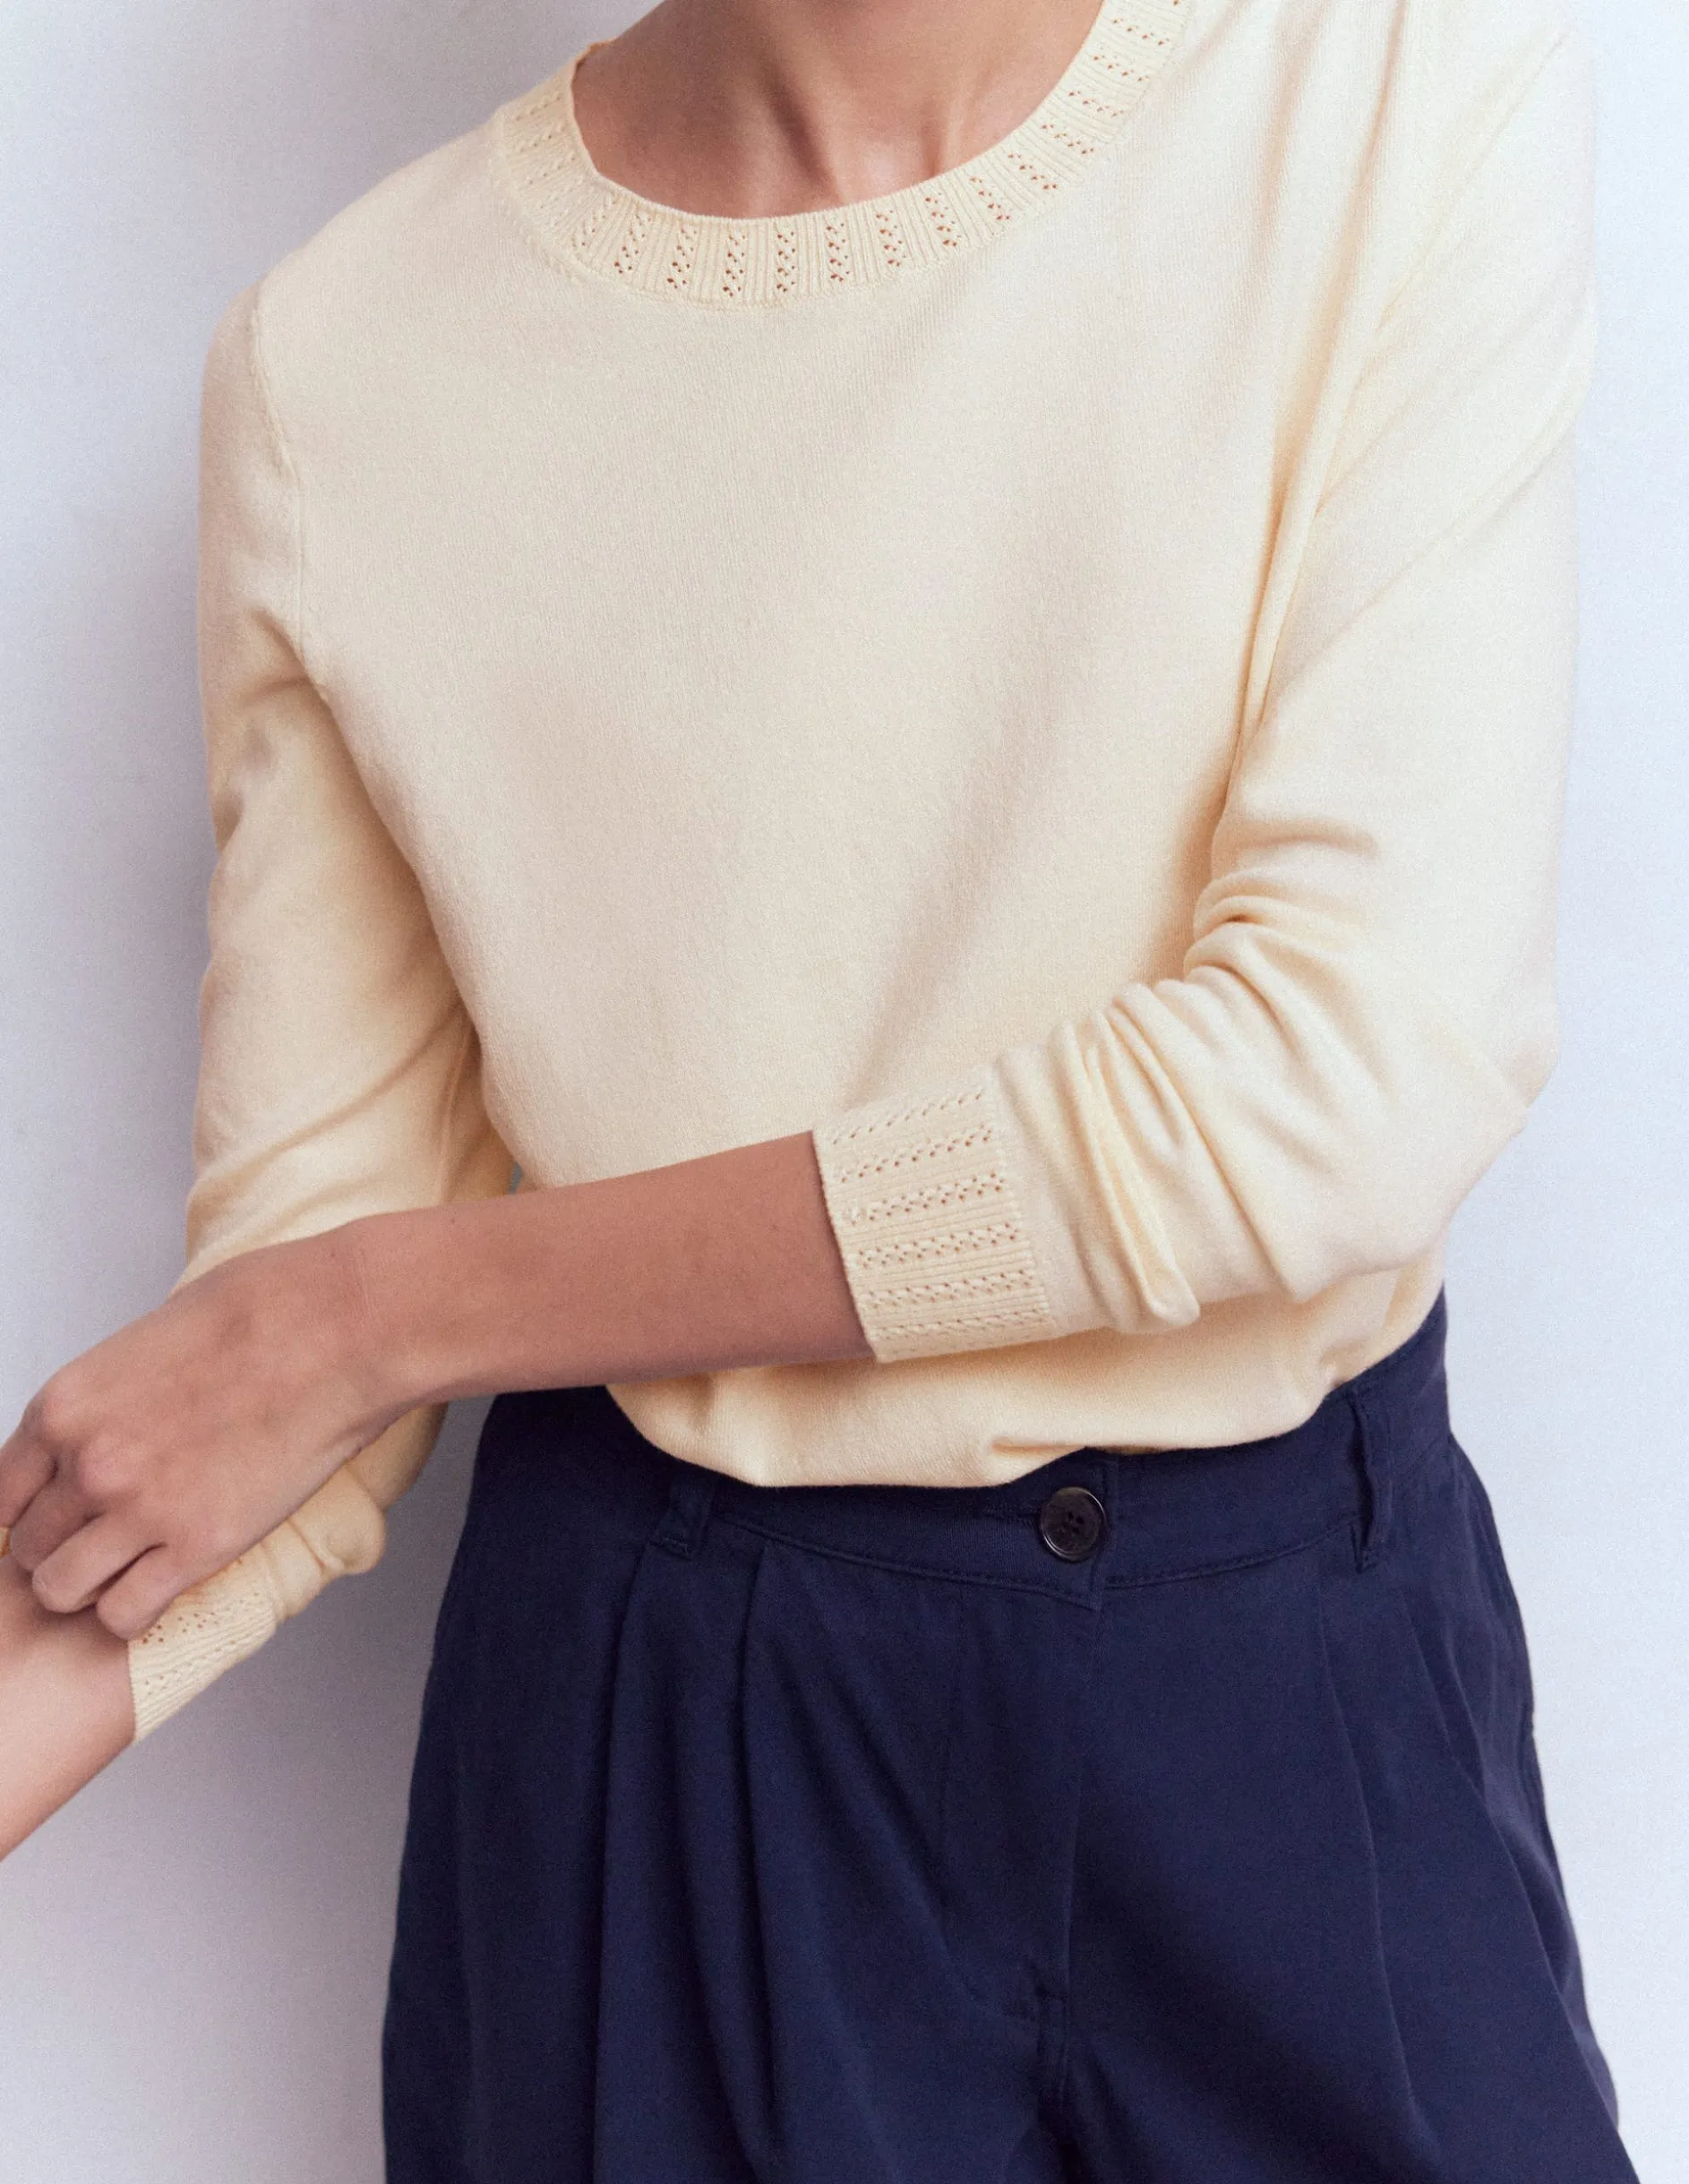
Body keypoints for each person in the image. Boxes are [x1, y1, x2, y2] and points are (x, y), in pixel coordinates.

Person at [0, 0, 1642, 2173]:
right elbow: (269, 1387)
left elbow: (1342, 1078)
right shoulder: (345, 360)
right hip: (667, 1731)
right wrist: (332, 1331)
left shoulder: (1383, 102)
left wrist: (387, 1312)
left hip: (1284, 1703)